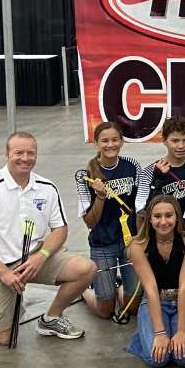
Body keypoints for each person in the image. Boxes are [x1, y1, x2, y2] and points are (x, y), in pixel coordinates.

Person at [0, 132, 95, 344]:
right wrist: (3, 272)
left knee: (85, 269)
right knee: (5, 338)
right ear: (6, 154)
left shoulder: (47, 187)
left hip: (34, 257)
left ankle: (51, 318)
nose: (25, 158)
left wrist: (41, 255)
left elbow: (60, 229)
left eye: (30, 153)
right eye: (18, 152)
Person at [75, 121, 143, 320]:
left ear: (122, 141)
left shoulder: (132, 166)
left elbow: (139, 208)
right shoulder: (86, 176)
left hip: (130, 241)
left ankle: (117, 285)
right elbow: (90, 222)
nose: (110, 145)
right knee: (105, 311)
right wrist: (100, 196)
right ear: (96, 143)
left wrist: (139, 240)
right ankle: (83, 290)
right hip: (103, 243)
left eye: (115, 140)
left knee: (133, 307)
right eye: (104, 141)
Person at [125, 195, 185, 367]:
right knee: (158, 359)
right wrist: (159, 332)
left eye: (169, 215)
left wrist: (182, 331)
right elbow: (150, 289)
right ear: (149, 219)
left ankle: (168, 331)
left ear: (177, 217)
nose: (163, 221)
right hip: (155, 299)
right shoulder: (138, 245)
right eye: (157, 216)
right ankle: (143, 336)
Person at [134, 116, 185, 228]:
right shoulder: (149, 171)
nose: (181, 146)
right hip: (163, 232)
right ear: (164, 141)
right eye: (175, 141)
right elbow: (142, 211)